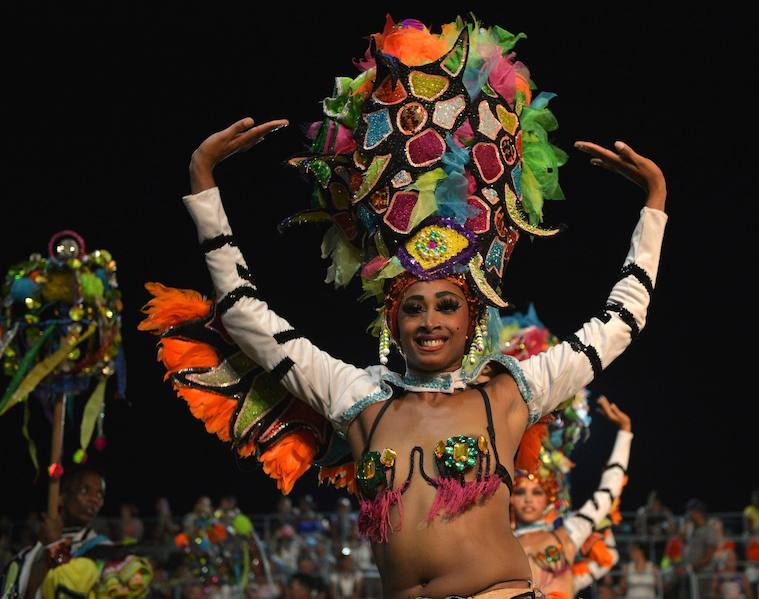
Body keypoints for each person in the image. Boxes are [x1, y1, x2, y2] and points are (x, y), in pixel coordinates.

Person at [144, 16, 667, 599]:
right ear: (391, 319)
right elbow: (246, 318)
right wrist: (203, 186)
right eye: (413, 308)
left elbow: (623, 320)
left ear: (472, 319)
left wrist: (654, 205)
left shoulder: (510, 391)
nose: (430, 321)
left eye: (446, 306)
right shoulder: (357, 397)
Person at [511, 397, 631, 599]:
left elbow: (608, 492)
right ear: (510, 499)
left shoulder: (567, 535)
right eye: (520, 492)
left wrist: (625, 432)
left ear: (548, 498)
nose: (528, 499)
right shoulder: (502, 541)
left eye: (537, 492)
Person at [1, 469, 153, 599]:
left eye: (100, 494)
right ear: (61, 498)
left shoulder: (103, 551)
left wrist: (55, 545)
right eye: (84, 491)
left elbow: (66, 585)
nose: (94, 499)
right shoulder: (27, 555)